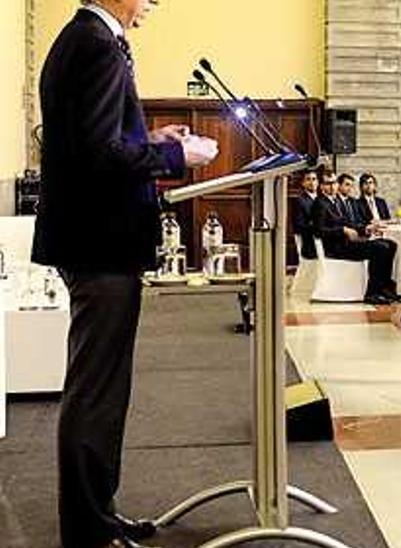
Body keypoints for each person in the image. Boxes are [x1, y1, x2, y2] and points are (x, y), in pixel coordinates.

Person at [34, 2, 219, 544]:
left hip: (91, 240)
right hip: (101, 241)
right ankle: (89, 529)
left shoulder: (83, 37)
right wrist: (176, 156)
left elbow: (95, 138)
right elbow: (98, 155)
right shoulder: (96, 43)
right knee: (97, 392)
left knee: (99, 389)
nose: (150, 6)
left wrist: (157, 139)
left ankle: (97, 514)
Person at [313, 174, 401, 304]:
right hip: (337, 247)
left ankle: (385, 287)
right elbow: (318, 231)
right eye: (327, 183)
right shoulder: (320, 203)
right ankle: (372, 292)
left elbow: (349, 223)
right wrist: (342, 230)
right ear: (321, 186)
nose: (332, 186)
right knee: (379, 248)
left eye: (334, 183)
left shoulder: (337, 202)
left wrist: (366, 228)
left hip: (349, 242)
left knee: (391, 244)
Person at [292, 169, 320, 259]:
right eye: (308, 179)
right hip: (309, 240)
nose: (312, 182)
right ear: (303, 183)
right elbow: (298, 226)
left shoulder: (322, 199)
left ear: (318, 182)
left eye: (314, 179)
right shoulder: (300, 201)